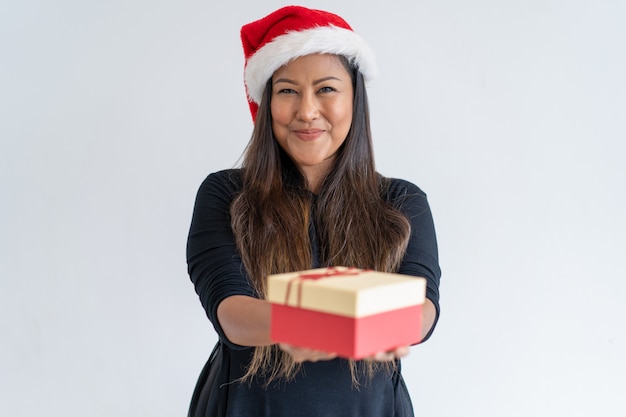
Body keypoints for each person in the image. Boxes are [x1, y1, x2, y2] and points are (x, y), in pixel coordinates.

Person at [186, 5, 441, 417]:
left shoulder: (402, 203)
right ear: (267, 102)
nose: (306, 111)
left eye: (326, 89)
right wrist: (302, 322)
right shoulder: (225, 194)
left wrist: (399, 322)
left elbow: (424, 308)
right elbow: (230, 313)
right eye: (287, 91)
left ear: (355, 98)